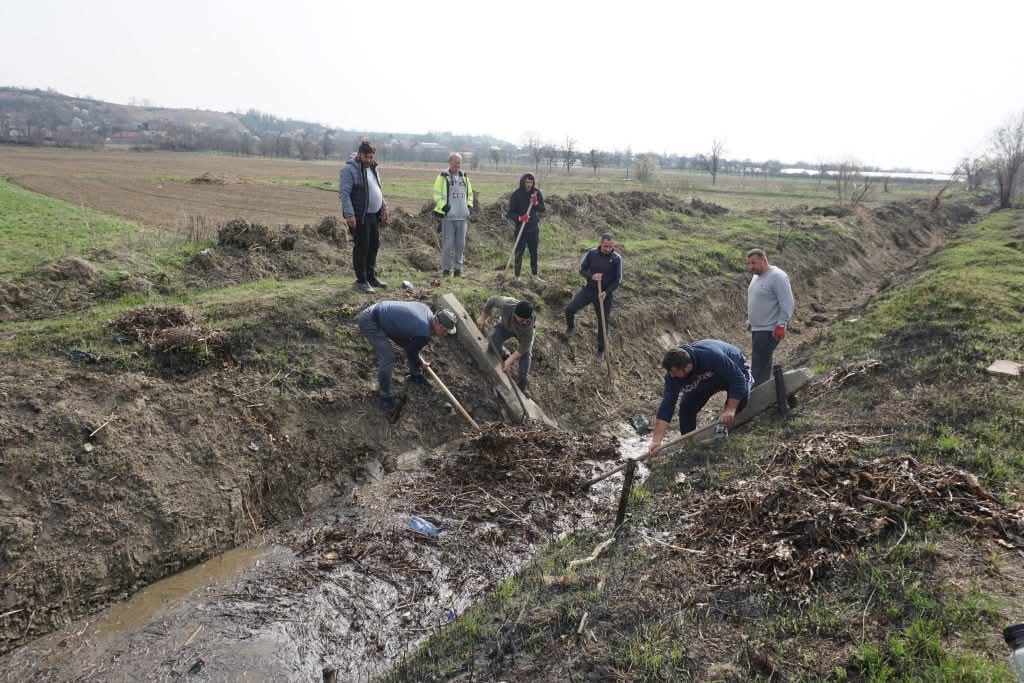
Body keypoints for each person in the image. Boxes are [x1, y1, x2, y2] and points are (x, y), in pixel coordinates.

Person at [647, 340, 754, 457]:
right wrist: (656, 441)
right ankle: (689, 445)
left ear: (688, 367)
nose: (672, 375)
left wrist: (730, 409)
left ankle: (720, 427)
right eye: (670, 372)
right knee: (686, 407)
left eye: (675, 372)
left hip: (734, 369)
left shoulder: (711, 355)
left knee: (740, 397)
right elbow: (667, 406)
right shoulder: (672, 376)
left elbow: (737, 379)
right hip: (706, 378)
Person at [357, 300, 458, 416]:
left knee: (411, 349)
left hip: (384, 318)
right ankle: (385, 397)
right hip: (371, 321)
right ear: (438, 324)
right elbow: (411, 351)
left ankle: (415, 375)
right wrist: (419, 363)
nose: (445, 334)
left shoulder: (426, 311)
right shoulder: (424, 332)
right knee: (387, 357)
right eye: (445, 331)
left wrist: (419, 362)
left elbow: (410, 346)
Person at [339, 140, 389, 293]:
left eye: (371, 157)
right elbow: (344, 194)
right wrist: (349, 214)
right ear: (359, 154)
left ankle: (371, 277)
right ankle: (361, 280)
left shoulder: (373, 168)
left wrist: (384, 206)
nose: (369, 160)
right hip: (360, 215)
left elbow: (377, 189)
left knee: (374, 245)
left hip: (374, 215)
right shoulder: (349, 170)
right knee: (362, 247)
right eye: (367, 157)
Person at [564, 233, 623, 359]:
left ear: (613, 245)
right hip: (589, 289)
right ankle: (570, 328)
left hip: (604, 294)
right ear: (601, 243)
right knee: (570, 309)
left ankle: (600, 350)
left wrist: (606, 292)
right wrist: (591, 276)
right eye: (605, 246)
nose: (607, 249)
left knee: (603, 322)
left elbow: (618, 280)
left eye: (610, 247)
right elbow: (582, 269)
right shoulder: (592, 253)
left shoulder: (616, 258)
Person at [746, 248, 795, 386]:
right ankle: (760, 394)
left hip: (769, 329)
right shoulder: (757, 276)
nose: (751, 267)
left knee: (759, 365)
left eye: (753, 263)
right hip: (758, 328)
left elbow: (787, 302)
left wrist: (781, 324)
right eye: (749, 264)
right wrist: (750, 319)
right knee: (760, 363)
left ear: (763, 259)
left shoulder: (777, 276)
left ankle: (758, 396)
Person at [476, 296, 536, 391]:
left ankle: (522, 382)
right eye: (521, 320)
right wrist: (483, 317)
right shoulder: (507, 304)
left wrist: (510, 361)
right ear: (515, 314)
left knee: (526, 355)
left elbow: (524, 346)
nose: (524, 323)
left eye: (526, 320)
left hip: (522, 335)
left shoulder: (529, 327)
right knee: (493, 342)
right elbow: (491, 300)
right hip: (505, 326)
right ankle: (504, 353)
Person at [432, 153, 474, 277]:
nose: (458, 165)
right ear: (449, 162)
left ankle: (458, 269)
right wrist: (443, 206)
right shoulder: (442, 176)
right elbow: (436, 194)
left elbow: (470, 193)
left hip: (462, 217)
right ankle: (445, 269)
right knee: (448, 244)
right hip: (449, 217)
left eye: (459, 162)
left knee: (460, 245)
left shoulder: (464, 177)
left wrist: (469, 206)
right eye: (455, 162)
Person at [505, 173, 545, 279]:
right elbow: (510, 213)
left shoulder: (536, 193)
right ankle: (517, 276)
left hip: (533, 228)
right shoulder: (516, 195)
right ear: (523, 182)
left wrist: (536, 203)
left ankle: (535, 274)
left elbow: (542, 209)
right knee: (519, 253)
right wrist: (519, 218)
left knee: (534, 252)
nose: (529, 185)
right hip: (521, 229)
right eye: (527, 182)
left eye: (531, 182)